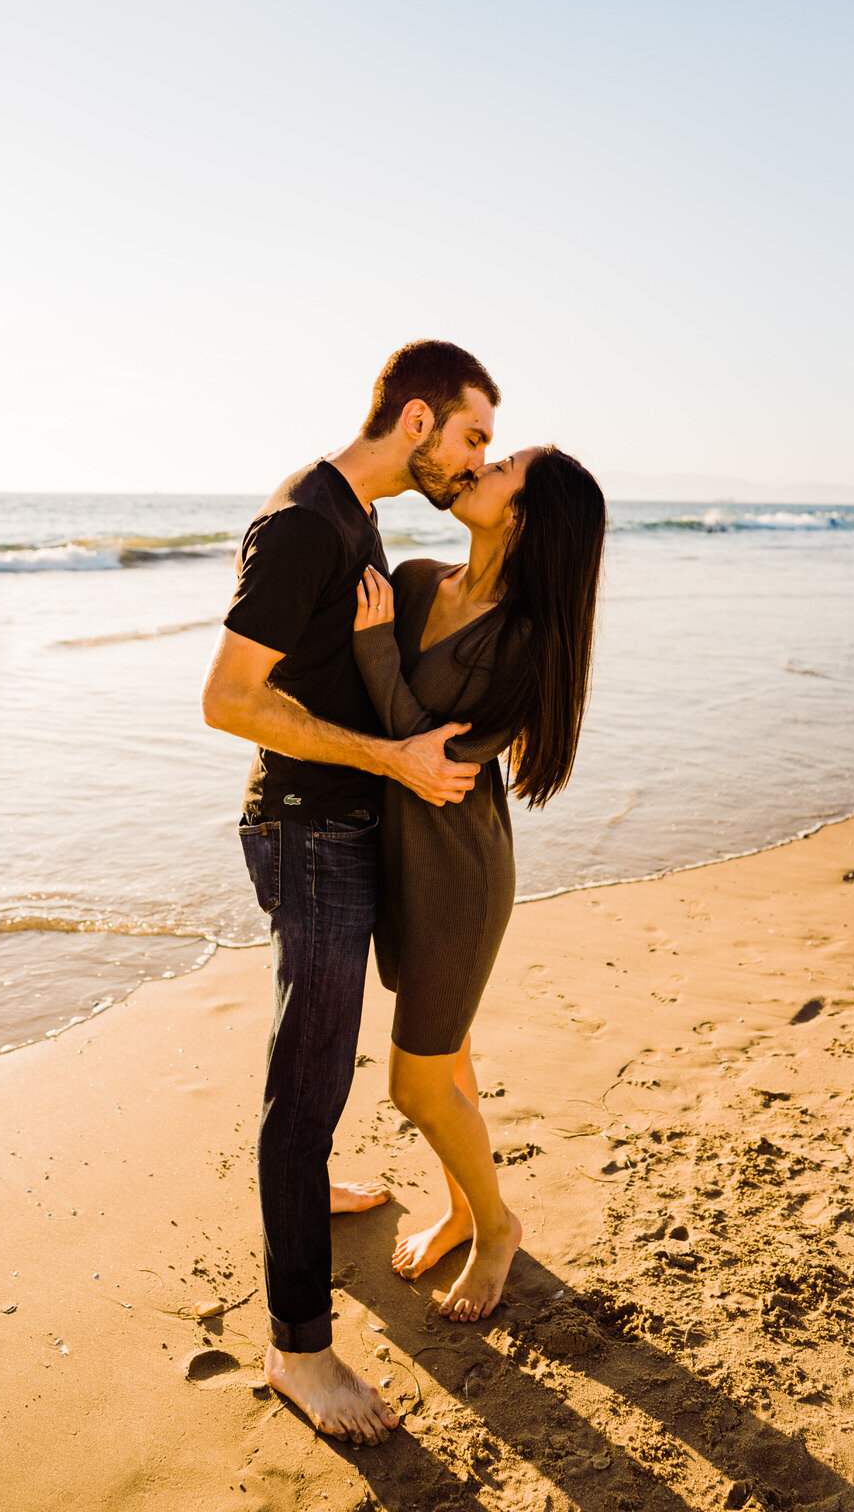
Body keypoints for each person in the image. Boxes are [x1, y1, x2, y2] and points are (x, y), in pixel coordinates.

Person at [201, 340, 500, 1445]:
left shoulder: (353, 517)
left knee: (318, 1055)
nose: (472, 462)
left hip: (346, 826)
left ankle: (315, 1188)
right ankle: (297, 1346)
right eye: (469, 436)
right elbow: (229, 699)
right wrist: (396, 759)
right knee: (308, 1085)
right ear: (416, 419)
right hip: (308, 829)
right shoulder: (303, 525)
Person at [351, 445, 606, 1323]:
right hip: (390, 857)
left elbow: (440, 763)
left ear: (522, 516)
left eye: (498, 469)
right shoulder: (416, 579)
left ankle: (497, 1226)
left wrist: (375, 648)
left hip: (457, 871)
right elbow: (371, 714)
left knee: (415, 1086)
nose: (477, 469)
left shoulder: (525, 639)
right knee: (447, 1055)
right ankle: (462, 1210)